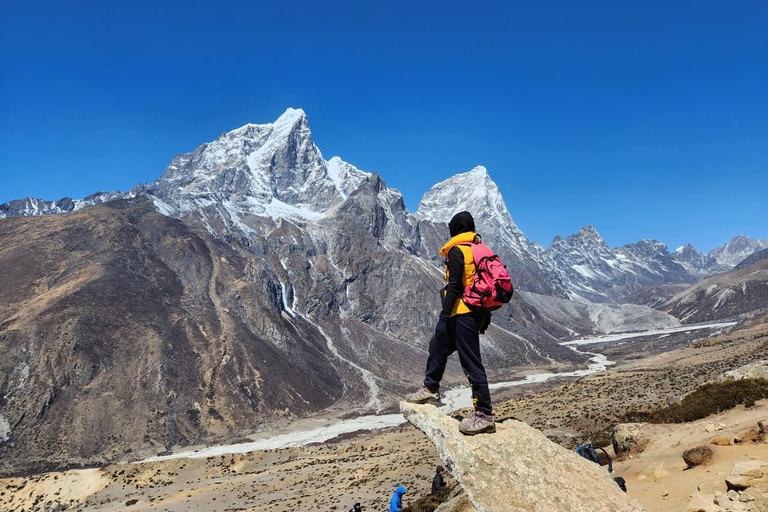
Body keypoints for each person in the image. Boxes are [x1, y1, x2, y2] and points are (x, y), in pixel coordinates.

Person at [405, 211, 496, 435]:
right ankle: (430, 387)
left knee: (471, 363)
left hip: (462, 315)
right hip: (472, 313)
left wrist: (443, 318)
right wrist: (483, 316)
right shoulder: (477, 250)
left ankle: (484, 414)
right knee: (438, 345)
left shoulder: (457, 251)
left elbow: (454, 287)